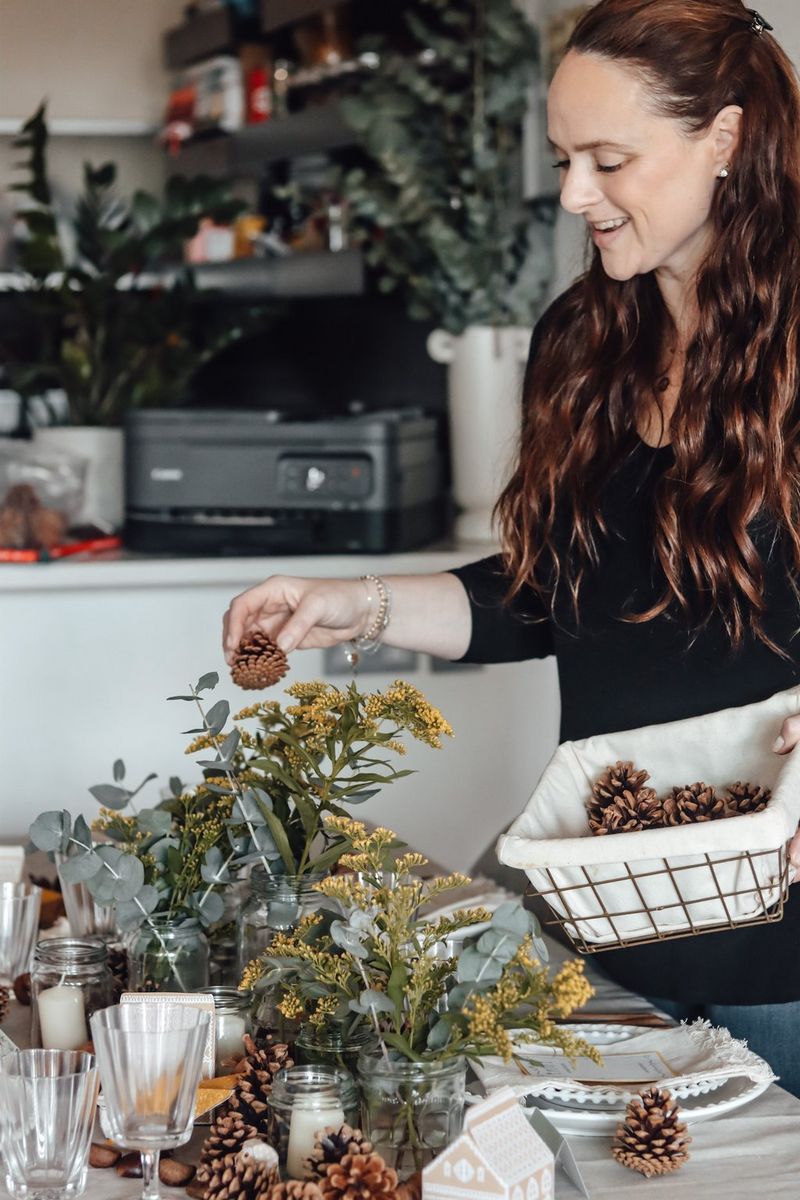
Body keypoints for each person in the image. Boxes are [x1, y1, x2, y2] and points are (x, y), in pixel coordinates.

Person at [224, 0, 800, 1096]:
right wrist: (359, 603)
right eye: (563, 159)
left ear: (725, 138)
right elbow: (553, 592)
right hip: (603, 919)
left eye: (608, 161)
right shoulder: (582, 339)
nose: (575, 194)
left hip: (782, 961)